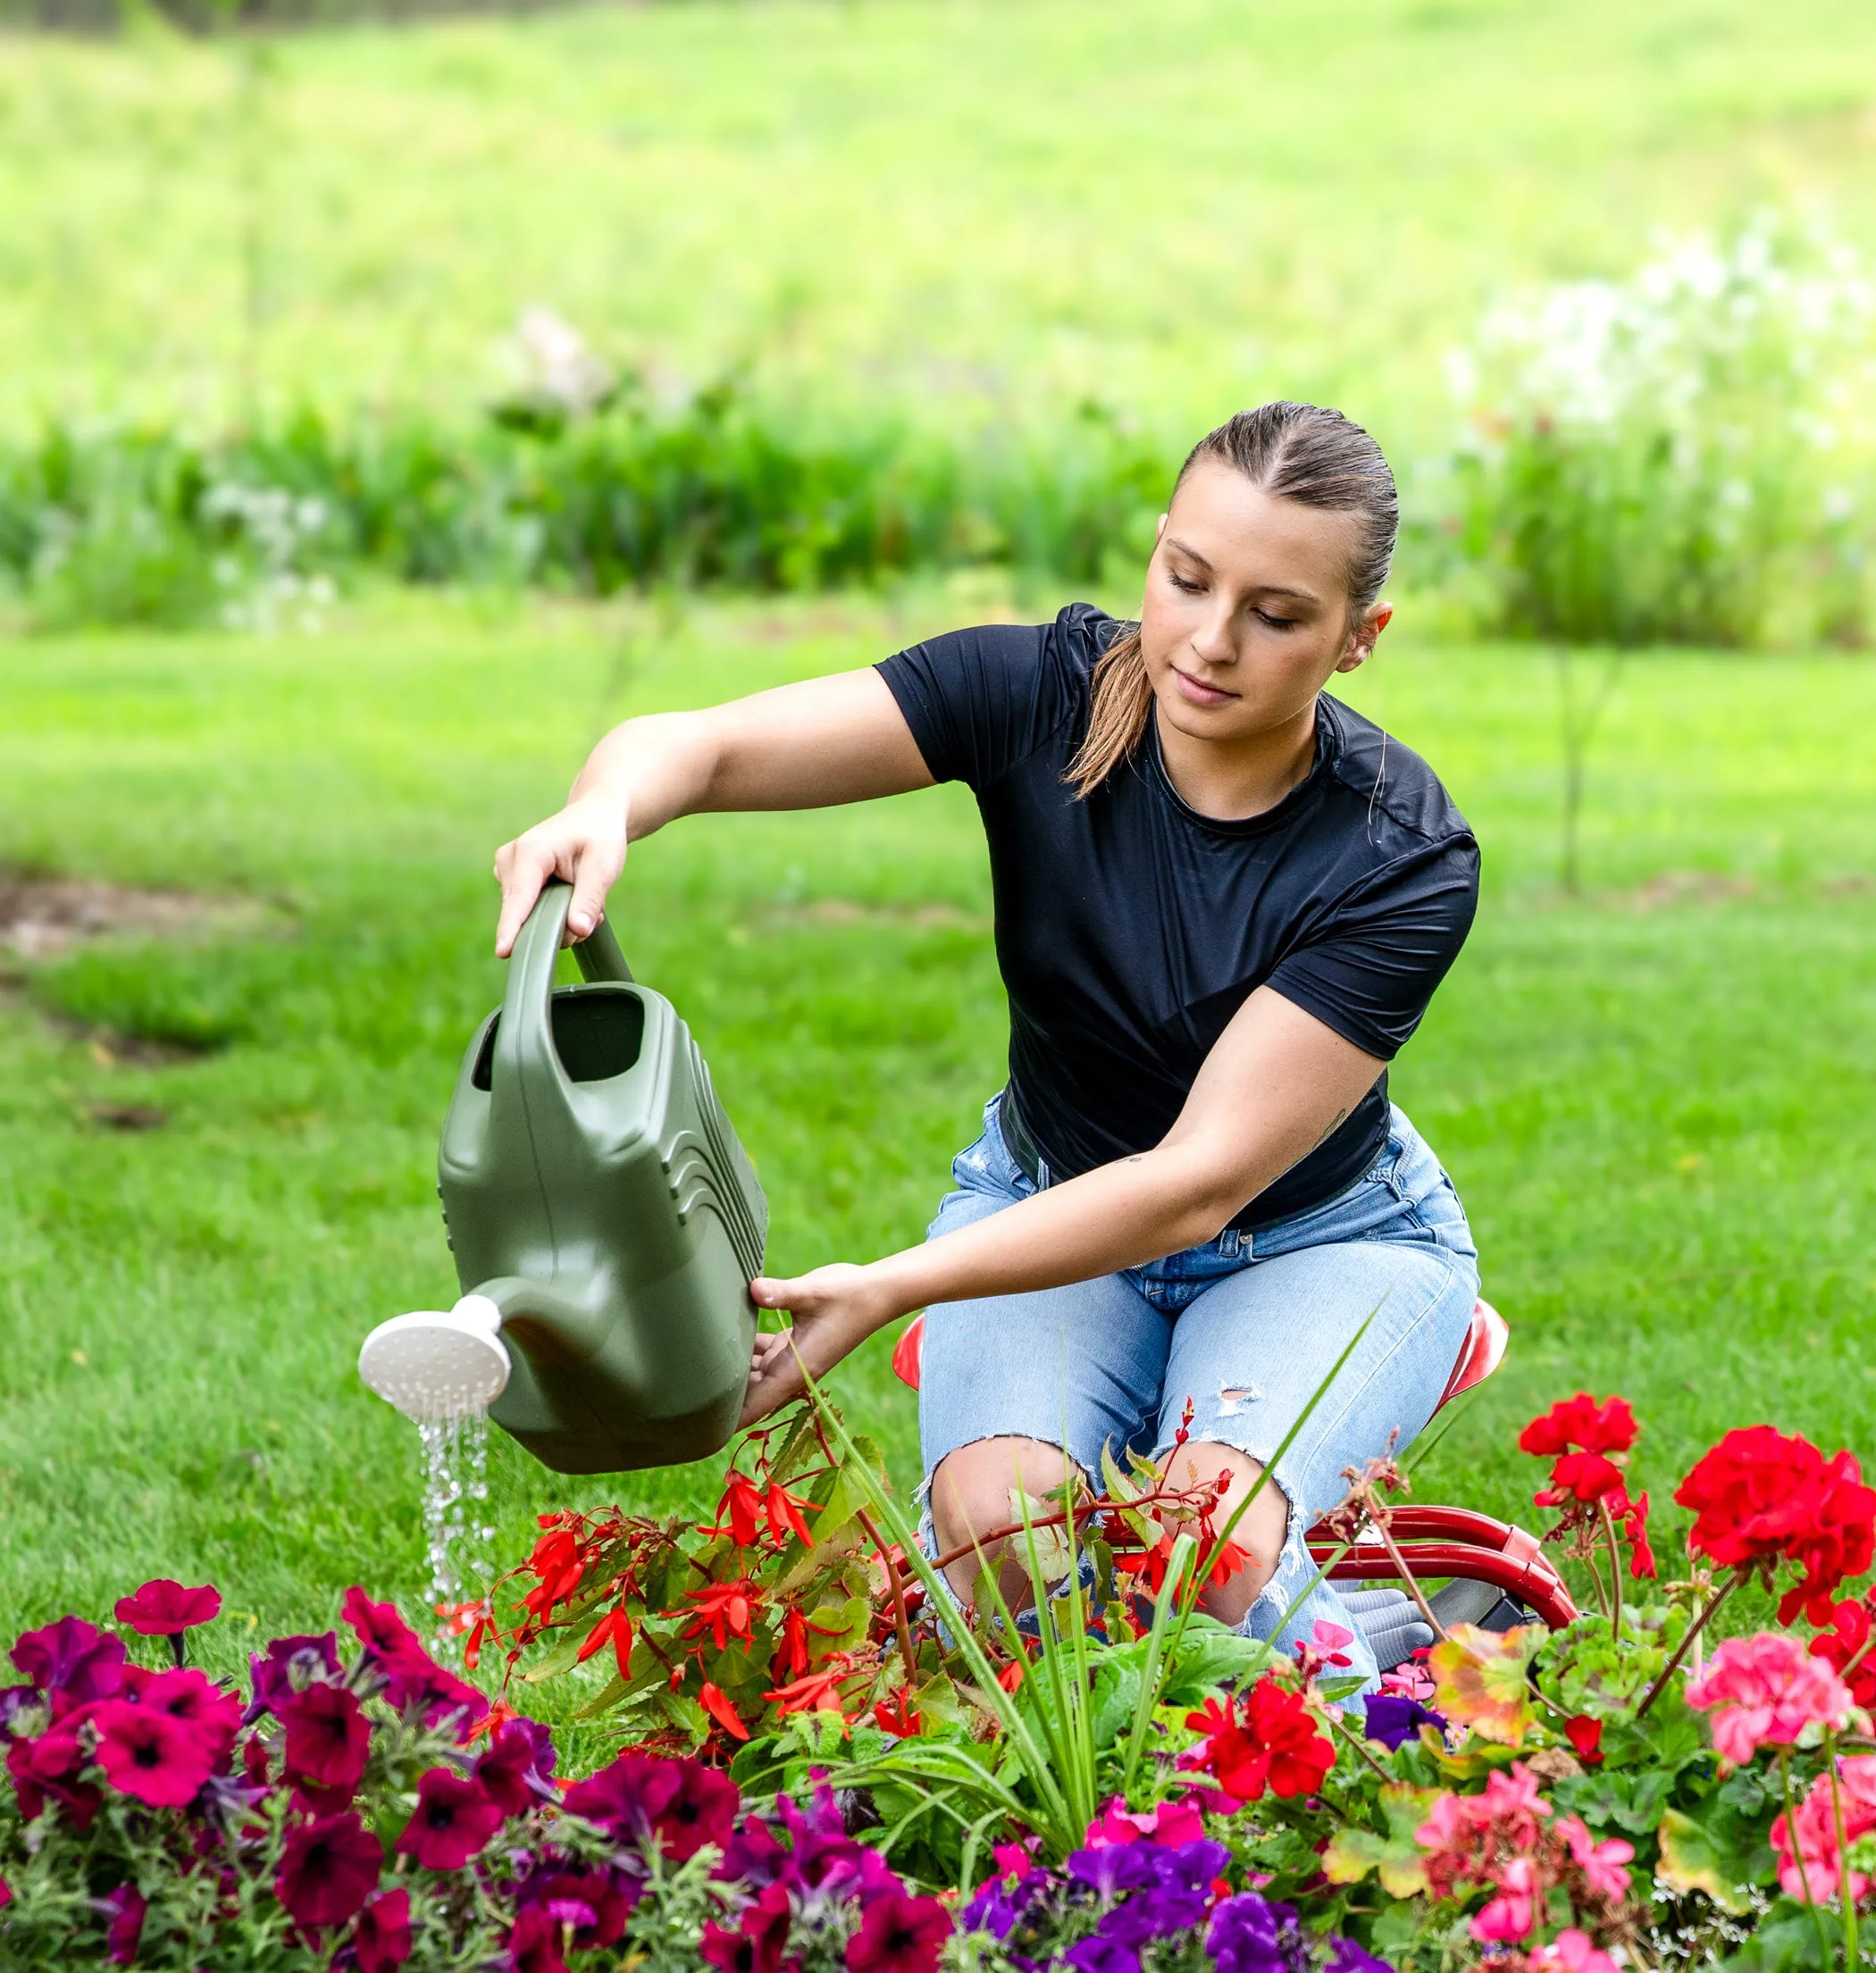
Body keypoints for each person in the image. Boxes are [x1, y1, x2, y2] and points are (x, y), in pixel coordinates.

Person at [489, 401, 1480, 1674]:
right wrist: (607, 807)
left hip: (1323, 1240)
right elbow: (710, 745)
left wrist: (895, 1283)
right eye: (1186, 579)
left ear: (1359, 639)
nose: (1208, 641)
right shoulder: (1040, 697)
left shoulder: (1398, 857)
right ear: (1158, 554)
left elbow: (1196, 1183)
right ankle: (1086, 1841)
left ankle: (1388, 1720)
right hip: (1052, 1198)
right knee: (996, 1532)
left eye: (1277, 615)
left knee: (1212, 1542)